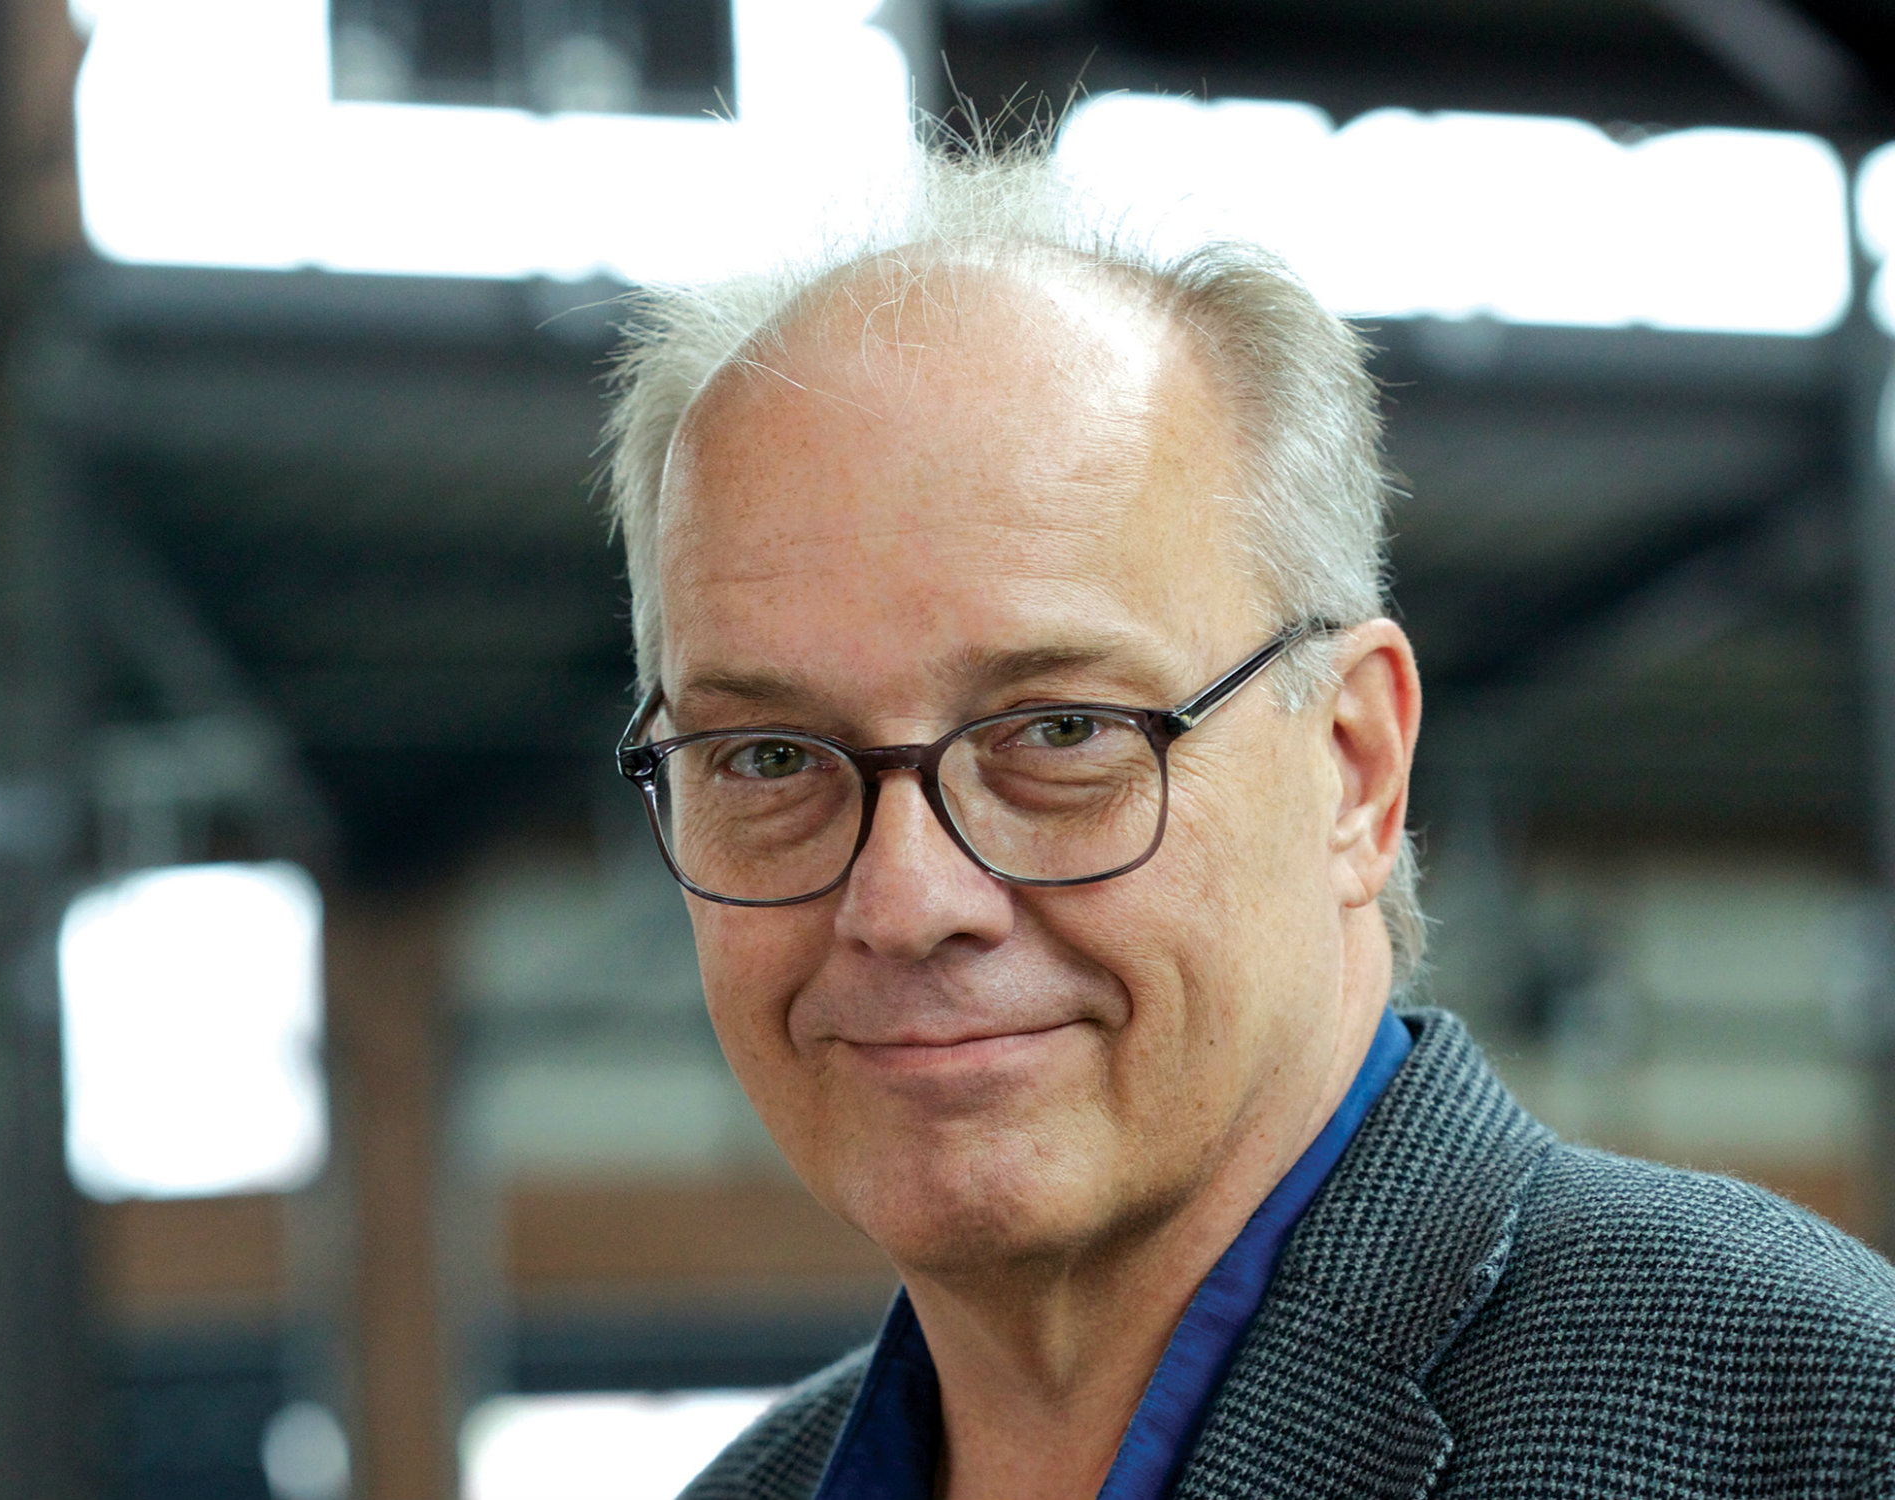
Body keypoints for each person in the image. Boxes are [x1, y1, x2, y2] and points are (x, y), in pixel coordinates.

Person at [601, 150, 1895, 1500]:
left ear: (1355, 766)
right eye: (766, 757)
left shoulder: (1815, 1436)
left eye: (1061, 732)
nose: (906, 901)